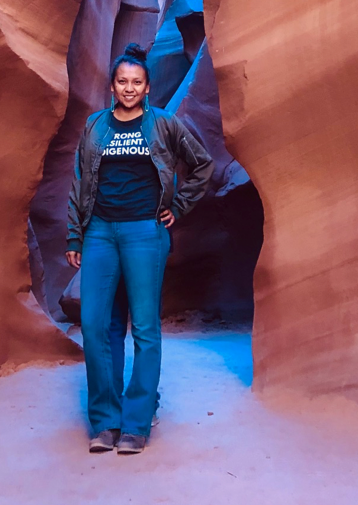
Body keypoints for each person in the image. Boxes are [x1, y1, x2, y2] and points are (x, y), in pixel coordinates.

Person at [66, 43, 214, 455]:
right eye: (122, 82)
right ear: (112, 87)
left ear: (147, 88)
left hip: (144, 234)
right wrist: (75, 235)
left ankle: (136, 423)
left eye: (137, 82)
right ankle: (105, 422)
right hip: (99, 232)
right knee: (97, 326)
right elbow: (79, 181)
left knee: (144, 329)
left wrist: (178, 206)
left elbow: (202, 164)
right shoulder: (95, 126)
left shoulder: (164, 124)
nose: (129, 89)